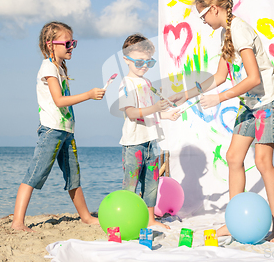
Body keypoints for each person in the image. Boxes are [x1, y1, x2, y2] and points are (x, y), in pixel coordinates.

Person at [170, 0, 274, 243]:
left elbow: (254, 77)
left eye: (202, 16)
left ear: (214, 9)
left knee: (262, 162)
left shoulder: (240, 30)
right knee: (233, 157)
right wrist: (187, 94)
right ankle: (235, 221)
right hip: (251, 103)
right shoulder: (227, 33)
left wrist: (220, 98)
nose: (202, 21)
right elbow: (220, 76)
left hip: (268, 101)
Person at [12, 21, 105, 232]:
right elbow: (59, 100)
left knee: (73, 175)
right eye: (67, 43)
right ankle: (17, 222)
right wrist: (89, 95)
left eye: (73, 43)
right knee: (35, 173)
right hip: (51, 131)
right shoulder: (47, 67)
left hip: (66, 131)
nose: (71, 46)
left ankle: (86, 217)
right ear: (50, 44)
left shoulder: (60, 67)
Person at [119, 34, 180, 229]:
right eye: (139, 62)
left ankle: (150, 219)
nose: (144, 66)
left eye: (149, 62)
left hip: (149, 141)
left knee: (151, 182)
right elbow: (131, 113)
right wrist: (155, 109)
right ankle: (125, 218)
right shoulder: (126, 85)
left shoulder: (146, 83)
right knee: (131, 183)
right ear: (126, 59)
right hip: (133, 143)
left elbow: (149, 113)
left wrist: (165, 115)